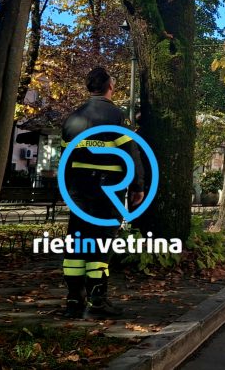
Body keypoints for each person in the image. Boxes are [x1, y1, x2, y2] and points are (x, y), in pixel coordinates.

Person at [60, 67, 145, 318]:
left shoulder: (72, 119)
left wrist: (67, 190)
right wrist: (138, 186)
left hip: (77, 187)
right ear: (110, 87)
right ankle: (97, 302)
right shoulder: (117, 118)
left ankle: (74, 300)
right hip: (108, 189)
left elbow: (65, 158)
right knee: (102, 241)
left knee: (76, 242)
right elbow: (131, 154)